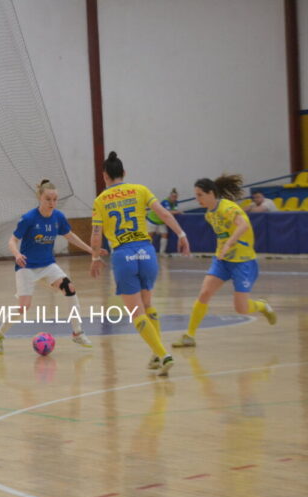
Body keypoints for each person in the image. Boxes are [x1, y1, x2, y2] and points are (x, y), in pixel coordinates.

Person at [90, 151, 191, 376]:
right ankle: (157, 353)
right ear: (124, 173)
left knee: (136, 312)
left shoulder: (100, 201)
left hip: (123, 255)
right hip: (146, 252)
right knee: (147, 305)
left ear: (104, 176)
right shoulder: (140, 190)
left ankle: (163, 354)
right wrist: (182, 234)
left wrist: (95, 257)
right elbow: (164, 214)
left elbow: (96, 235)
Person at [0, 180, 101, 354]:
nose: (52, 203)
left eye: (55, 199)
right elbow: (12, 241)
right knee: (23, 307)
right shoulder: (28, 218)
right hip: (27, 267)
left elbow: (70, 236)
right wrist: (17, 254)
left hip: (48, 265)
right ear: (40, 198)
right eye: (48, 199)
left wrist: (91, 250)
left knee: (70, 289)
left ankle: (77, 332)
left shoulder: (58, 217)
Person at [175, 174, 276, 348]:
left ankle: (262, 306)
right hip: (222, 261)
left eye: (200, 195)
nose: (197, 198)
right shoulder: (209, 214)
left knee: (241, 308)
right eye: (196, 195)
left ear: (211, 193)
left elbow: (243, 225)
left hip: (243, 261)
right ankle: (189, 336)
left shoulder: (227, 207)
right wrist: (223, 250)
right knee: (204, 293)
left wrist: (229, 243)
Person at [147, 188, 181, 255]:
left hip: (161, 221)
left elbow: (174, 211)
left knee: (165, 235)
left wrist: (176, 212)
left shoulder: (175, 203)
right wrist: (178, 212)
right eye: (173, 196)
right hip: (153, 220)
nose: (174, 198)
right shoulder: (165, 202)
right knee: (150, 236)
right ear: (170, 196)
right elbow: (169, 212)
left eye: (176, 197)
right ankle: (148, 252)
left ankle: (162, 252)